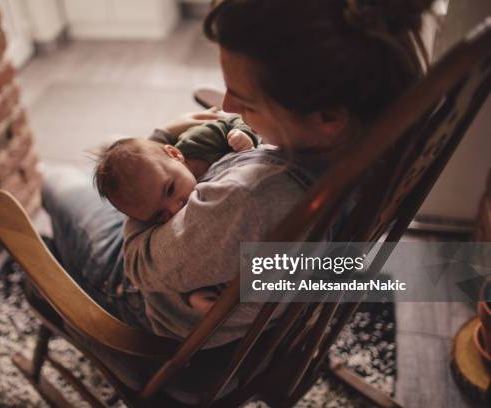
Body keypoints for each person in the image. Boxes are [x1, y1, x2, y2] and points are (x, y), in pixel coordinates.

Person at [42, 0, 434, 347]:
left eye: (243, 99)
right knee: (117, 158)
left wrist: (159, 138)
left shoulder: (250, 199)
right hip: (258, 298)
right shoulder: (385, 136)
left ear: (327, 117)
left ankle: (46, 194)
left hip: (143, 299)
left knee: (59, 185)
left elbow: (139, 267)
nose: (227, 105)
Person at [93, 115, 259, 223]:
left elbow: (231, 121)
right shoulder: (159, 184)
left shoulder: (196, 141)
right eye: (159, 215)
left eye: (170, 190)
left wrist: (241, 133)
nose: (175, 209)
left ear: (175, 153)